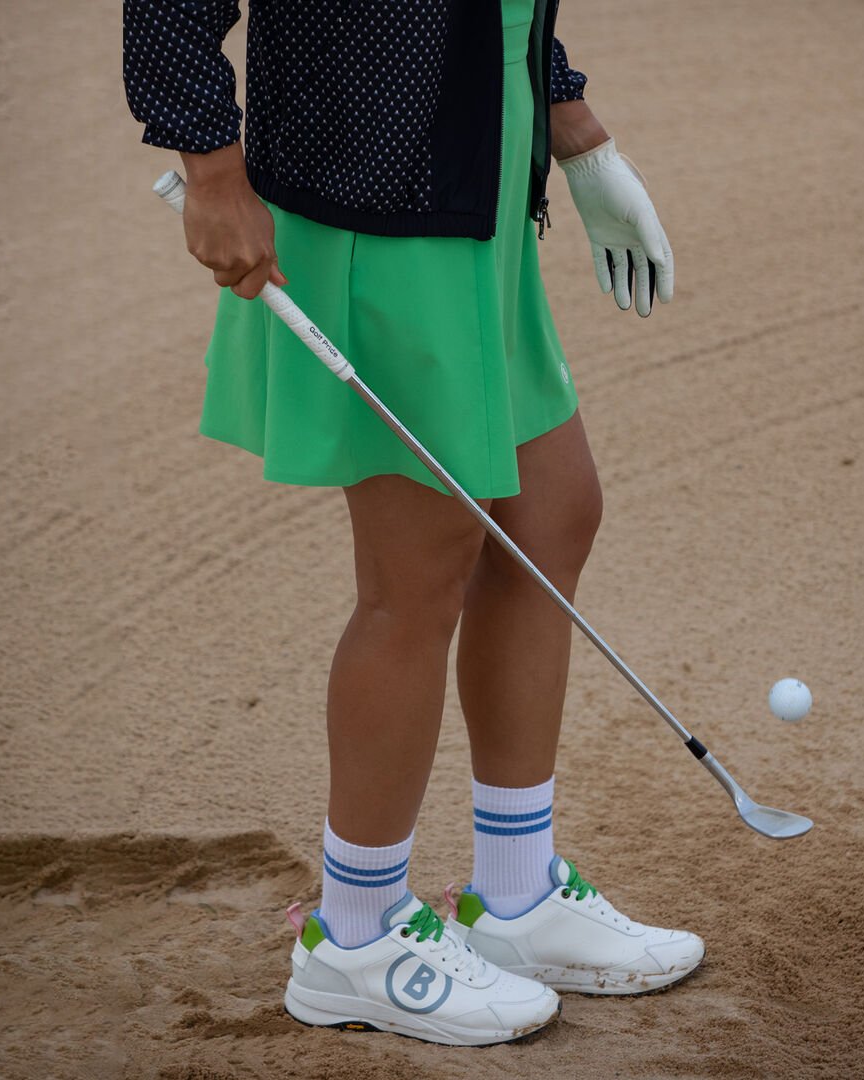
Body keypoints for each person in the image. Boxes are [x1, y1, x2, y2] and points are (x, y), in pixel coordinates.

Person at [125, 0, 695, 1047]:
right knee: (419, 571)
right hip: (381, 192)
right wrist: (211, 172)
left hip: (480, 170)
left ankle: (515, 895)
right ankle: (354, 936)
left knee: (553, 513)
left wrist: (574, 128)